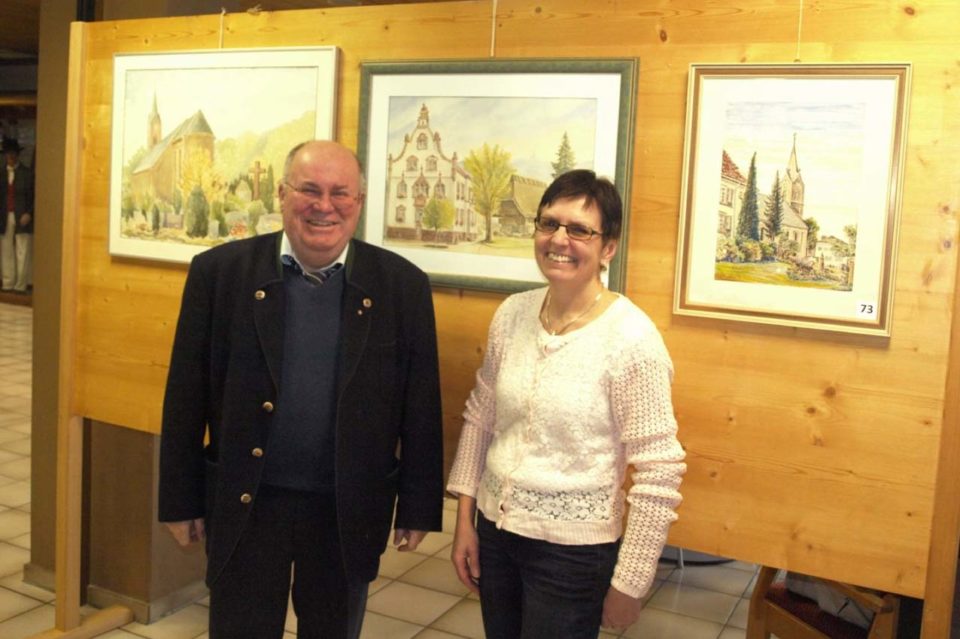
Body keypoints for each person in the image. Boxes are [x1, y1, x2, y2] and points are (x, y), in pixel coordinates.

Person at [159, 140, 444, 639]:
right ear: (282, 193)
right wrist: (179, 499)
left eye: (340, 193)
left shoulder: (402, 286)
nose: (324, 206)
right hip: (248, 503)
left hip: (346, 509)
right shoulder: (219, 274)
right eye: (309, 190)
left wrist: (419, 505)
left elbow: (420, 406)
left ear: (359, 201)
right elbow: (185, 394)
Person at [447, 169, 686, 638]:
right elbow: (480, 418)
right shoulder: (512, 314)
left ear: (608, 247)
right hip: (496, 534)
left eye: (579, 229)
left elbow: (659, 470)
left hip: (572, 556)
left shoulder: (632, 340)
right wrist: (465, 521)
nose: (559, 239)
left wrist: (631, 582)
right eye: (549, 223)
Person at [1, 137, 33, 292]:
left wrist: (29, 213)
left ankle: (20, 286)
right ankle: (7, 283)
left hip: (22, 216)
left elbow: (33, 196)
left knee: (23, 250)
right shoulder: (1, 173)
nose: (11, 157)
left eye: (13, 154)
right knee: (6, 249)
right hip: (4, 216)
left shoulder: (27, 173)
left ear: (18, 155)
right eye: (8, 154)